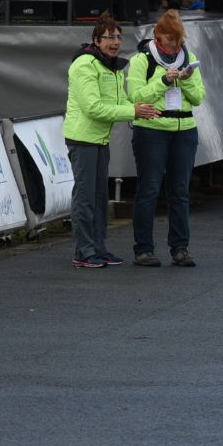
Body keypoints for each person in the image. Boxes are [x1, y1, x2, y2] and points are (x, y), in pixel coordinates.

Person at [63, 14, 156, 267]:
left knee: (99, 197)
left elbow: (121, 101)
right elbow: (93, 108)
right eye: (109, 37)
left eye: (118, 37)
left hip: (100, 139)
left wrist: (140, 107)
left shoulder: (111, 66)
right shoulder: (85, 65)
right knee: (85, 197)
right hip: (82, 139)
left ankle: (99, 248)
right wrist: (133, 112)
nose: (115, 42)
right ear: (96, 40)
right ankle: (83, 252)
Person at [128, 10, 204, 267]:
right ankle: (143, 250)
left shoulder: (188, 58)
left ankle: (180, 248)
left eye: (178, 39)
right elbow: (135, 97)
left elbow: (199, 97)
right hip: (152, 130)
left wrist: (186, 81)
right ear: (157, 35)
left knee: (180, 191)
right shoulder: (141, 60)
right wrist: (163, 80)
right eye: (170, 38)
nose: (175, 43)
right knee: (148, 190)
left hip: (185, 130)